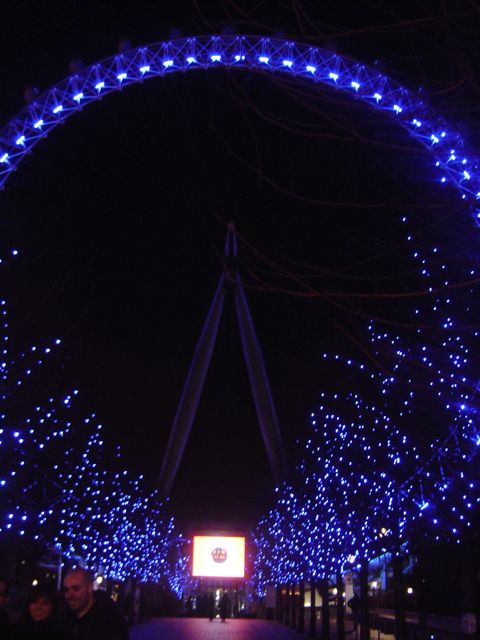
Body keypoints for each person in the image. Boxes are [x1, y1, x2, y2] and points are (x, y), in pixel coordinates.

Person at [63, 567, 129, 640]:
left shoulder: (109, 623)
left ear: (89, 588)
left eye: (76, 588)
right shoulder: (64, 619)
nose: (69, 595)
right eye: (66, 590)